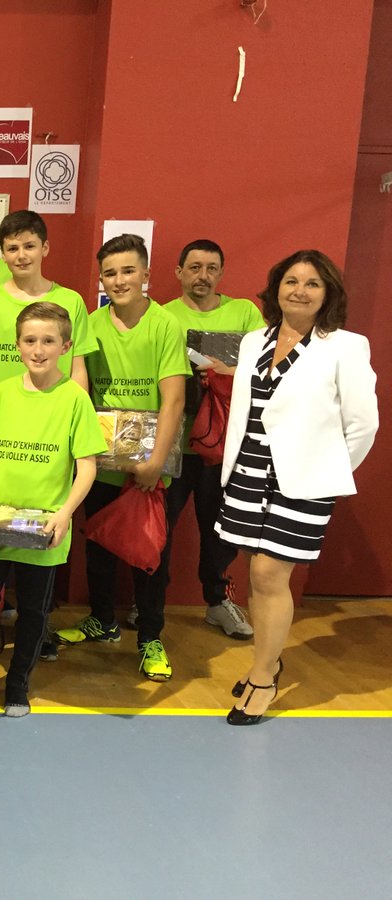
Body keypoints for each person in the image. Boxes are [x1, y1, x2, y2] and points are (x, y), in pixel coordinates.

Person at [216, 250, 377, 724]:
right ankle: (266, 661)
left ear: (328, 293)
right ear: (276, 287)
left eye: (312, 283)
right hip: (248, 472)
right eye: (291, 281)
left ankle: (263, 679)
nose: (299, 291)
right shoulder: (253, 342)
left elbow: (363, 424)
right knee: (254, 574)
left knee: (270, 576)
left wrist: (325, 475)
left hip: (303, 484)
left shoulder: (346, 346)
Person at [0, 303, 104, 714]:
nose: (38, 349)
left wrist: (64, 512)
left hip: (43, 526)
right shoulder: (3, 392)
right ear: (17, 345)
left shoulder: (74, 399)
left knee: (33, 611)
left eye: (48, 341)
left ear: (66, 346)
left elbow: (87, 466)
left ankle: (17, 683)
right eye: (30, 340)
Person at [55, 234, 189, 681]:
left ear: (147, 274)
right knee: (99, 547)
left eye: (128, 271)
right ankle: (102, 620)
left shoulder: (166, 325)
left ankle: (150, 636)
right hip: (102, 458)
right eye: (110, 273)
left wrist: (154, 460)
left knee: (151, 556)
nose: (119, 280)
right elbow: (81, 389)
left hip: (150, 464)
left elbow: (173, 401)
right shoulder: (90, 323)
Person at [147, 239, 265, 638]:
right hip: (175, 444)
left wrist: (225, 371)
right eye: (194, 267)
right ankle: (150, 605)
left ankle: (217, 601)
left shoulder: (245, 312)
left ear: (222, 272)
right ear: (179, 272)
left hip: (225, 447)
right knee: (159, 529)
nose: (203, 275)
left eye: (211, 268)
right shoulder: (162, 316)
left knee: (221, 528)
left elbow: (266, 368)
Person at [0, 210, 93, 427]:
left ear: (45, 248)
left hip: (55, 420)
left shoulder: (71, 301)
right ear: (3, 254)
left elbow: (77, 369)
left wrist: (76, 422)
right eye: (13, 248)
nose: (21, 256)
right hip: (2, 420)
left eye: (29, 246)